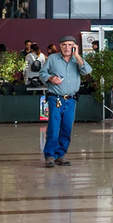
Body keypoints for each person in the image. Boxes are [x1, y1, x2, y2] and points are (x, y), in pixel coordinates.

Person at [42, 37, 92, 166]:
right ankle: (50, 156)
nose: (66, 47)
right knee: (54, 128)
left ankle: (60, 155)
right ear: (60, 46)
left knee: (67, 128)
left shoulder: (77, 60)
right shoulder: (53, 59)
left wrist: (77, 56)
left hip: (71, 100)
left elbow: (87, 71)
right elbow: (42, 73)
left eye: (70, 45)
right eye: (64, 44)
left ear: (74, 46)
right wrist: (50, 78)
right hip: (55, 99)